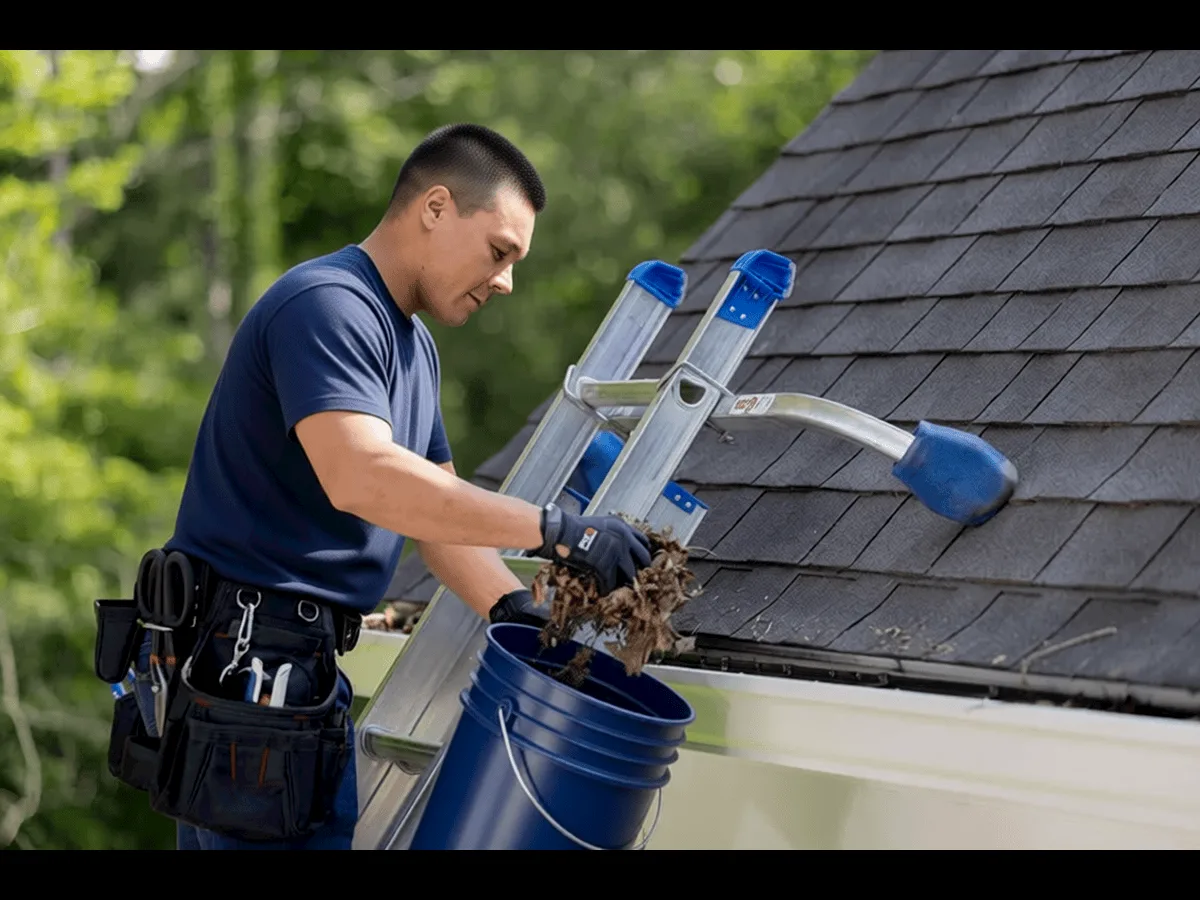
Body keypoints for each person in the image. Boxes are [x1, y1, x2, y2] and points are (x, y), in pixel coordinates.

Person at [133, 123, 653, 851]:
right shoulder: (327, 305)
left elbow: (433, 514)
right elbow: (364, 478)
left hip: (301, 683)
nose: (505, 281)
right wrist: (564, 531)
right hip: (254, 678)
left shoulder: (412, 349)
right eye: (500, 251)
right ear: (435, 208)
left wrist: (519, 615)